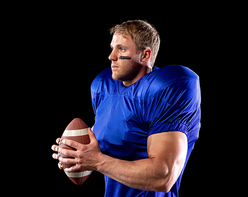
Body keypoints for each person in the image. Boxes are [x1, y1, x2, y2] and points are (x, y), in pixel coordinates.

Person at [52, 20, 201, 197]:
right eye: (112, 48)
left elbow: (163, 176)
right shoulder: (103, 87)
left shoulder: (167, 87)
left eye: (121, 49)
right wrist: (75, 152)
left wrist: (97, 161)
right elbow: (117, 133)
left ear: (145, 55)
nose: (111, 56)